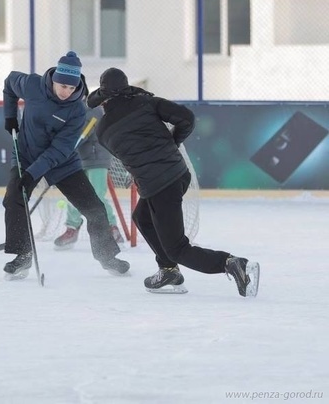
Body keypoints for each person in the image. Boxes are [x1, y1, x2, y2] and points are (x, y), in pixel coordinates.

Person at [87, 67, 260, 297]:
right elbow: (186, 118)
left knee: (178, 248)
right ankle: (168, 270)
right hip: (178, 173)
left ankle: (231, 263)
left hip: (159, 186)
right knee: (142, 217)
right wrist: (172, 142)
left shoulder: (103, 131)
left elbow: (127, 155)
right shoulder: (147, 102)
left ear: (103, 100)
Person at [1, 51, 129, 280]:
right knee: (13, 198)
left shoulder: (77, 110)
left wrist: (32, 175)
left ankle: (107, 255)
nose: (66, 92)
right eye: (62, 86)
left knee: (95, 209)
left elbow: (59, 150)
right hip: (26, 155)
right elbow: (10, 82)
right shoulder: (32, 85)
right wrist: (10, 116)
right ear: (53, 79)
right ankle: (22, 255)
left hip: (62, 163)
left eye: (71, 88)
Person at [53, 107, 124, 250]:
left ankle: (111, 227)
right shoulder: (67, 108)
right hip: (78, 159)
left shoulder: (93, 109)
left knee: (97, 194)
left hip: (97, 158)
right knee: (74, 194)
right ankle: (72, 228)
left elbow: (82, 133)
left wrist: (65, 147)